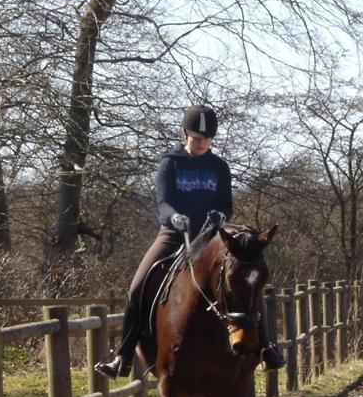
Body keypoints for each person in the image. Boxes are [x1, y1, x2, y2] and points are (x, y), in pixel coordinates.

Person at [95, 105, 285, 378]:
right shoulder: (170, 163)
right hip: (173, 235)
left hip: (210, 237)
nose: (200, 144)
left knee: (246, 284)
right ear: (185, 134)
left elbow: (225, 204)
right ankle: (122, 356)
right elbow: (163, 203)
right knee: (137, 287)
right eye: (196, 138)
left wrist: (220, 214)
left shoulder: (219, 167)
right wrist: (174, 218)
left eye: (206, 139)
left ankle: (266, 347)